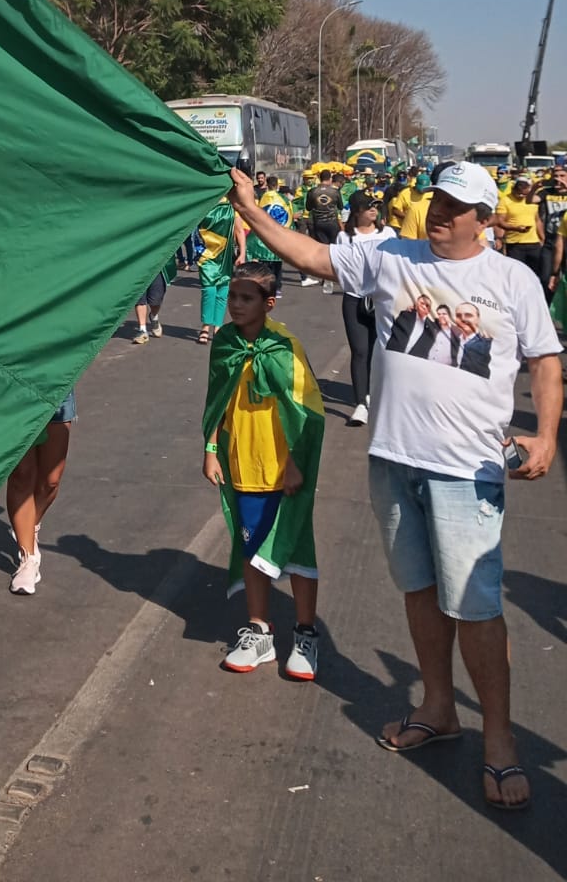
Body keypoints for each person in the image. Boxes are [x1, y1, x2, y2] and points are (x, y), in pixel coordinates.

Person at [230, 160, 562, 813]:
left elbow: (546, 362)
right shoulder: (390, 256)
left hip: (468, 470)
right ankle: (438, 707)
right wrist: (249, 209)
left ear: (484, 219)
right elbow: (313, 255)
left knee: (477, 607)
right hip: (393, 459)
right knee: (418, 590)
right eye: (437, 199)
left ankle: (500, 741)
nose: (440, 213)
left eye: (457, 207)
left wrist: (547, 437)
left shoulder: (512, 279)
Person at [202, 261, 325, 680]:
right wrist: (212, 448)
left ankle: (306, 632)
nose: (235, 305)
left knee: (295, 550)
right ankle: (259, 632)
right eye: (233, 296)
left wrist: (293, 461)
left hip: (283, 471)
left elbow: (305, 411)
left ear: (268, 303)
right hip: (243, 465)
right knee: (251, 548)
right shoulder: (226, 343)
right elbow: (216, 401)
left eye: (246, 298)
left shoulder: (284, 346)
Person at [7, 391, 75, 594]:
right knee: (21, 474)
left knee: (51, 480)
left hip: (57, 387)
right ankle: (27, 559)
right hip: (15, 390)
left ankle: (30, 526)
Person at [336, 193, 385, 426]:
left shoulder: (388, 234)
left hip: (382, 300)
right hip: (354, 299)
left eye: (376, 206)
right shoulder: (344, 237)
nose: (373, 210)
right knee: (360, 351)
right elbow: (339, 268)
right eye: (368, 207)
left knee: (379, 352)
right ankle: (360, 404)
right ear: (357, 211)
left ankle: (375, 396)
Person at [196, 196, 245, 345]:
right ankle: (205, 326)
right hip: (207, 255)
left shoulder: (231, 205)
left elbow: (239, 231)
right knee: (209, 291)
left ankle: (217, 327)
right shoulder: (203, 202)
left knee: (222, 292)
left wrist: (242, 253)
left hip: (226, 255)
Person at [247, 177, 291, 294]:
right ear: (277, 185)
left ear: (267, 184)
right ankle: (277, 288)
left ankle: (267, 287)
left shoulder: (264, 198)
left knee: (266, 263)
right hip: (279, 234)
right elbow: (289, 216)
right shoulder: (283, 199)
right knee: (277, 263)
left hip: (265, 234)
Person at [302, 170, 341, 291]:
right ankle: (334, 274)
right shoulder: (335, 192)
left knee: (323, 249)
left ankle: (325, 275)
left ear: (319, 178)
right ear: (329, 178)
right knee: (334, 249)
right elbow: (341, 206)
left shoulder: (312, 191)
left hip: (319, 222)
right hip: (332, 222)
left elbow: (308, 207)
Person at [494, 177, 541, 272]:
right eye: (518, 193)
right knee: (517, 271)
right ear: (513, 189)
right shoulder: (505, 201)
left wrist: (542, 238)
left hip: (534, 243)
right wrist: (500, 238)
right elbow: (499, 221)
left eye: (524, 193)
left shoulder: (531, 200)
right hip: (514, 244)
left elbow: (537, 220)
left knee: (535, 272)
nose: (521, 196)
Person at [535, 164, 567, 302]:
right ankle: (547, 307)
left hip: (565, 240)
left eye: (562, 176)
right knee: (546, 277)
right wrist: (535, 188)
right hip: (551, 239)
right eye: (556, 176)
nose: (558, 179)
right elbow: (530, 200)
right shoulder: (547, 192)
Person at [133, 257, 176, 343]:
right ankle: (142, 330)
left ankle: (153, 316)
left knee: (155, 301)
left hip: (157, 265)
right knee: (139, 298)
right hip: (137, 266)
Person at [398, 172, 434, 239]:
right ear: (415, 184)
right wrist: (409, 217)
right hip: (409, 228)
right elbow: (395, 209)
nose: (422, 191)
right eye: (420, 189)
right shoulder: (405, 193)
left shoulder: (432, 194)